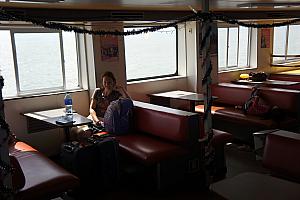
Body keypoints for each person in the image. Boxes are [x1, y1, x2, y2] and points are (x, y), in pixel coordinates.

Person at [71, 71, 130, 141]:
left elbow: (129, 102)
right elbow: (91, 108)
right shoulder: (98, 92)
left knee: (82, 133)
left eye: (109, 82)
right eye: (105, 82)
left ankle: (84, 149)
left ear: (113, 82)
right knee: (73, 129)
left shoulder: (116, 95)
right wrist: (96, 119)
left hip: (105, 121)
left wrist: (122, 89)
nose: (106, 84)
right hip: (94, 117)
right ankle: (76, 149)